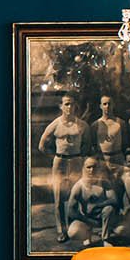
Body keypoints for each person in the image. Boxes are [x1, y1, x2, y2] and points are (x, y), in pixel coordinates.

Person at [36, 90, 93, 224]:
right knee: (58, 197)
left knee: (79, 194)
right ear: (60, 106)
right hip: (60, 163)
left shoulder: (82, 125)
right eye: (67, 104)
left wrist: (78, 156)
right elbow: (42, 145)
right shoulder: (55, 124)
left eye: (72, 104)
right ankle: (61, 229)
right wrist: (55, 156)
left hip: (76, 161)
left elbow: (87, 145)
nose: (69, 107)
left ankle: (79, 225)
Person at [62, 157, 122, 244]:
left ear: (98, 168)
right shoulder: (78, 186)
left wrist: (98, 205)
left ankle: (106, 239)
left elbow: (114, 200)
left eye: (94, 167)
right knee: (73, 232)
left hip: (103, 217)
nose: (92, 170)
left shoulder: (104, 183)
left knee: (109, 209)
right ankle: (87, 235)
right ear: (83, 168)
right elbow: (71, 210)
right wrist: (87, 220)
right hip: (87, 218)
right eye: (88, 167)